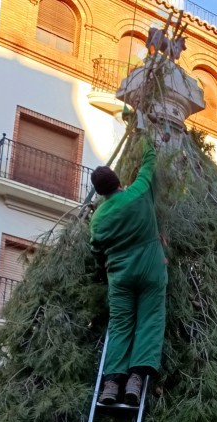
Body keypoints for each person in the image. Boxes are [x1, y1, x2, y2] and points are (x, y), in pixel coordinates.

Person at [90, 137, 168, 407]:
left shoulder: (98, 218)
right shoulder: (138, 193)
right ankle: (136, 378)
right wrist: (144, 136)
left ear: (100, 193)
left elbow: (96, 251)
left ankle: (111, 384)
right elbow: (149, 164)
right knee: (150, 319)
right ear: (118, 181)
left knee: (121, 325)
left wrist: (101, 272)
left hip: (120, 277)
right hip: (151, 270)